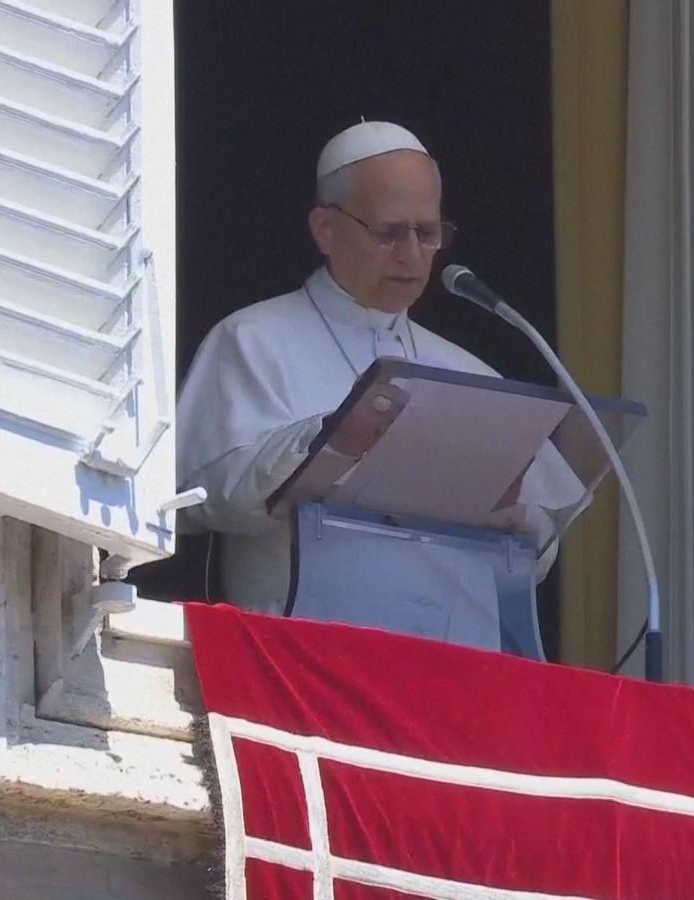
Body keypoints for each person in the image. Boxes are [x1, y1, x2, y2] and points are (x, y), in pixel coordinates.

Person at [176, 121, 586, 614]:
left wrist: (518, 519)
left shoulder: (470, 372)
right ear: (326, 230)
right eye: (390, 233)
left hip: (447, 663)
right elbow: (195, 499)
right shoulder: (250, 340)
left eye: (428, 233)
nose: (413, 256)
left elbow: (535, 561)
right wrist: (327, 443)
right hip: (301, 658)